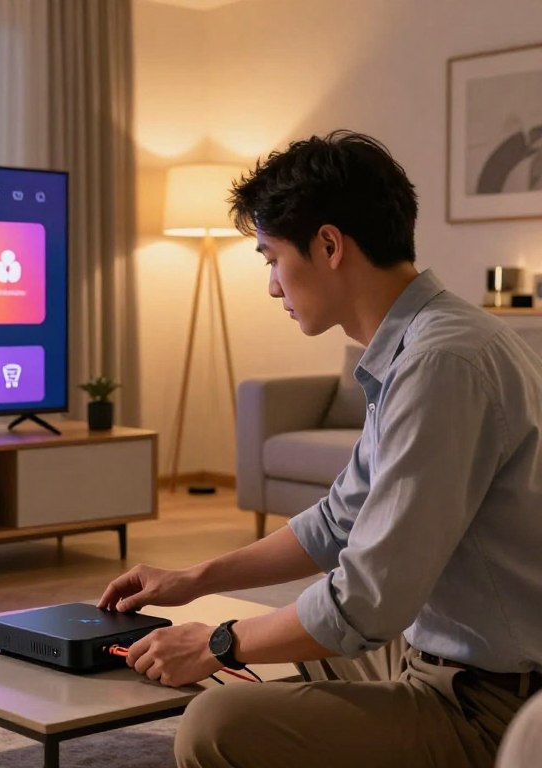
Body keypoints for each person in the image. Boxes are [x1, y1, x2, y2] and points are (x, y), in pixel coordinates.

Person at [97, 130, 542, 768]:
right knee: (285, 645)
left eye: (272, 258)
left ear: (329, 245)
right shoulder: (424, 344)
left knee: (214, 726)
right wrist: (194, 580)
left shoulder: (442, 363)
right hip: (434, 647)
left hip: (494, 701)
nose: (273, 286)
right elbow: (337, 522)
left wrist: (218, 642)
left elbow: (366, 600)